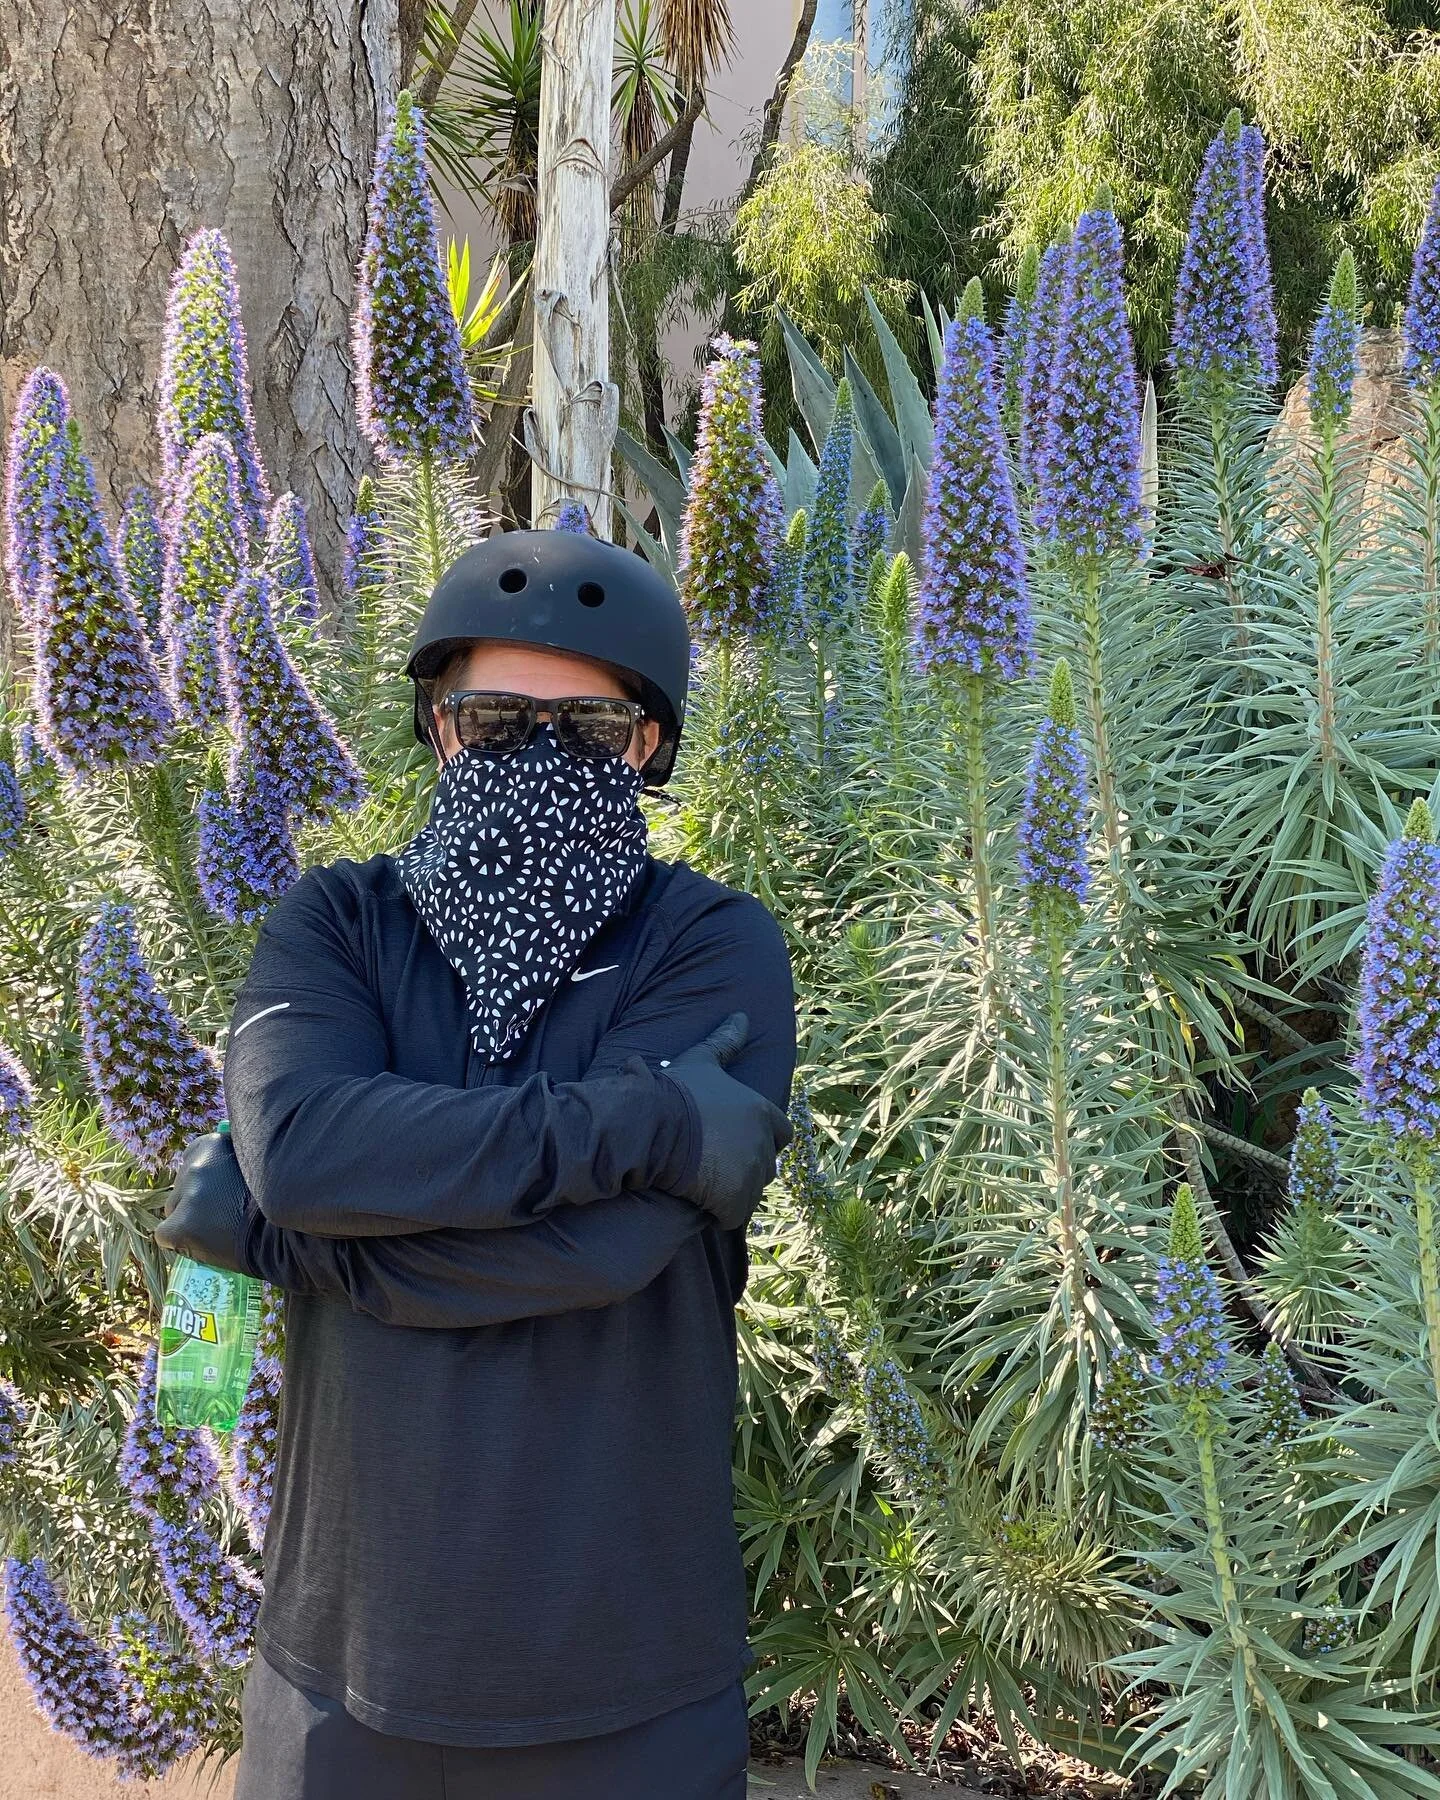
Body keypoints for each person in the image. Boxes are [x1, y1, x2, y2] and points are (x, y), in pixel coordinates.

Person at [156, 528, 798, 1800]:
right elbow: (296, 1150)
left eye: (592, 730)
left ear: (650, 747)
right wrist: (652, 1125)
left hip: (626, 1689)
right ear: (439, 727)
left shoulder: (714, 947)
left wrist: (286, 1240)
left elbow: (604, 1252)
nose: (539, 761)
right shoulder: (337, 921)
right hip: (333, 1682)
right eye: (499, 720)